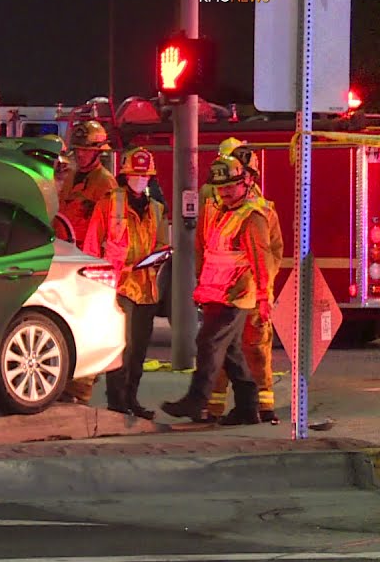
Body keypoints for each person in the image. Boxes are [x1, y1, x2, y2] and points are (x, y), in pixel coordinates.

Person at [162, 155, 274, 424]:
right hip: (218, 293)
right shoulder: (219, 212)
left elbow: (262, 260)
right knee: (232, 353)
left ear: (245, 183)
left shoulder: (251, 217)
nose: (225, 191)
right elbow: (210, 253)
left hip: (237, 295)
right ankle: (248, 407)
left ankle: (196, 400)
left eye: (230, 186)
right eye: (220, 187)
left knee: (208, 342)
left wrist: (263, 297)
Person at [82, 148, 168, 420]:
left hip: (146, 286)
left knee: (139, 348)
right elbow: (93, 245)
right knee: (122, 344)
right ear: (125, 175)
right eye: (136, 175)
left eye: (145, 177)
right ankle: (117, 401)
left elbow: (162, 243)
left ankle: (132, 399)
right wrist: (93, 282)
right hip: (118, 285)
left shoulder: (156, 208)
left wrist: (160, 256)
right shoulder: (109, 203)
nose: (141, 181)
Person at [207, 145, 285, 424]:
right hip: (222, 292)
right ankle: (214, 407)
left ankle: (263, 407)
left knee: (255, 347)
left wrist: (260, 289)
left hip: (249, 292)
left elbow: (271, 254)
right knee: (223, 350)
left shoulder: (260, 212)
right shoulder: (218, 208)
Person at [58, 120, 118, 404]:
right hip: (66, 259)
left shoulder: (105, 183)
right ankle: (68, 385)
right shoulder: (71, 177)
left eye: (85, 150)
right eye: (77, 150)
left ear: (98, 152)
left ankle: (81, 391)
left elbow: (108, 229)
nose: (80, 155)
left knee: (87, 324)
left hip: (88, 262)